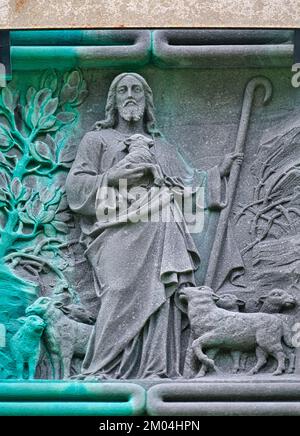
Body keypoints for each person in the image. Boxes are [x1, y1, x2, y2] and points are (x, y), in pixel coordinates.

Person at [66, 72, 242, 379]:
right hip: (114, 231)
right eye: (122, 90)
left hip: (161, 228)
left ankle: (155, 368)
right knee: (118, 291)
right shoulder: (97, 140)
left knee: (162, 293)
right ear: (114, 101)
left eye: (136, 89)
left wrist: (216, 175)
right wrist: (116, 175)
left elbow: (190, 188)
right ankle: (99, 368)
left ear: (147, 101)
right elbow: (77, 190)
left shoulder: (162, 148)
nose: (129, 95)